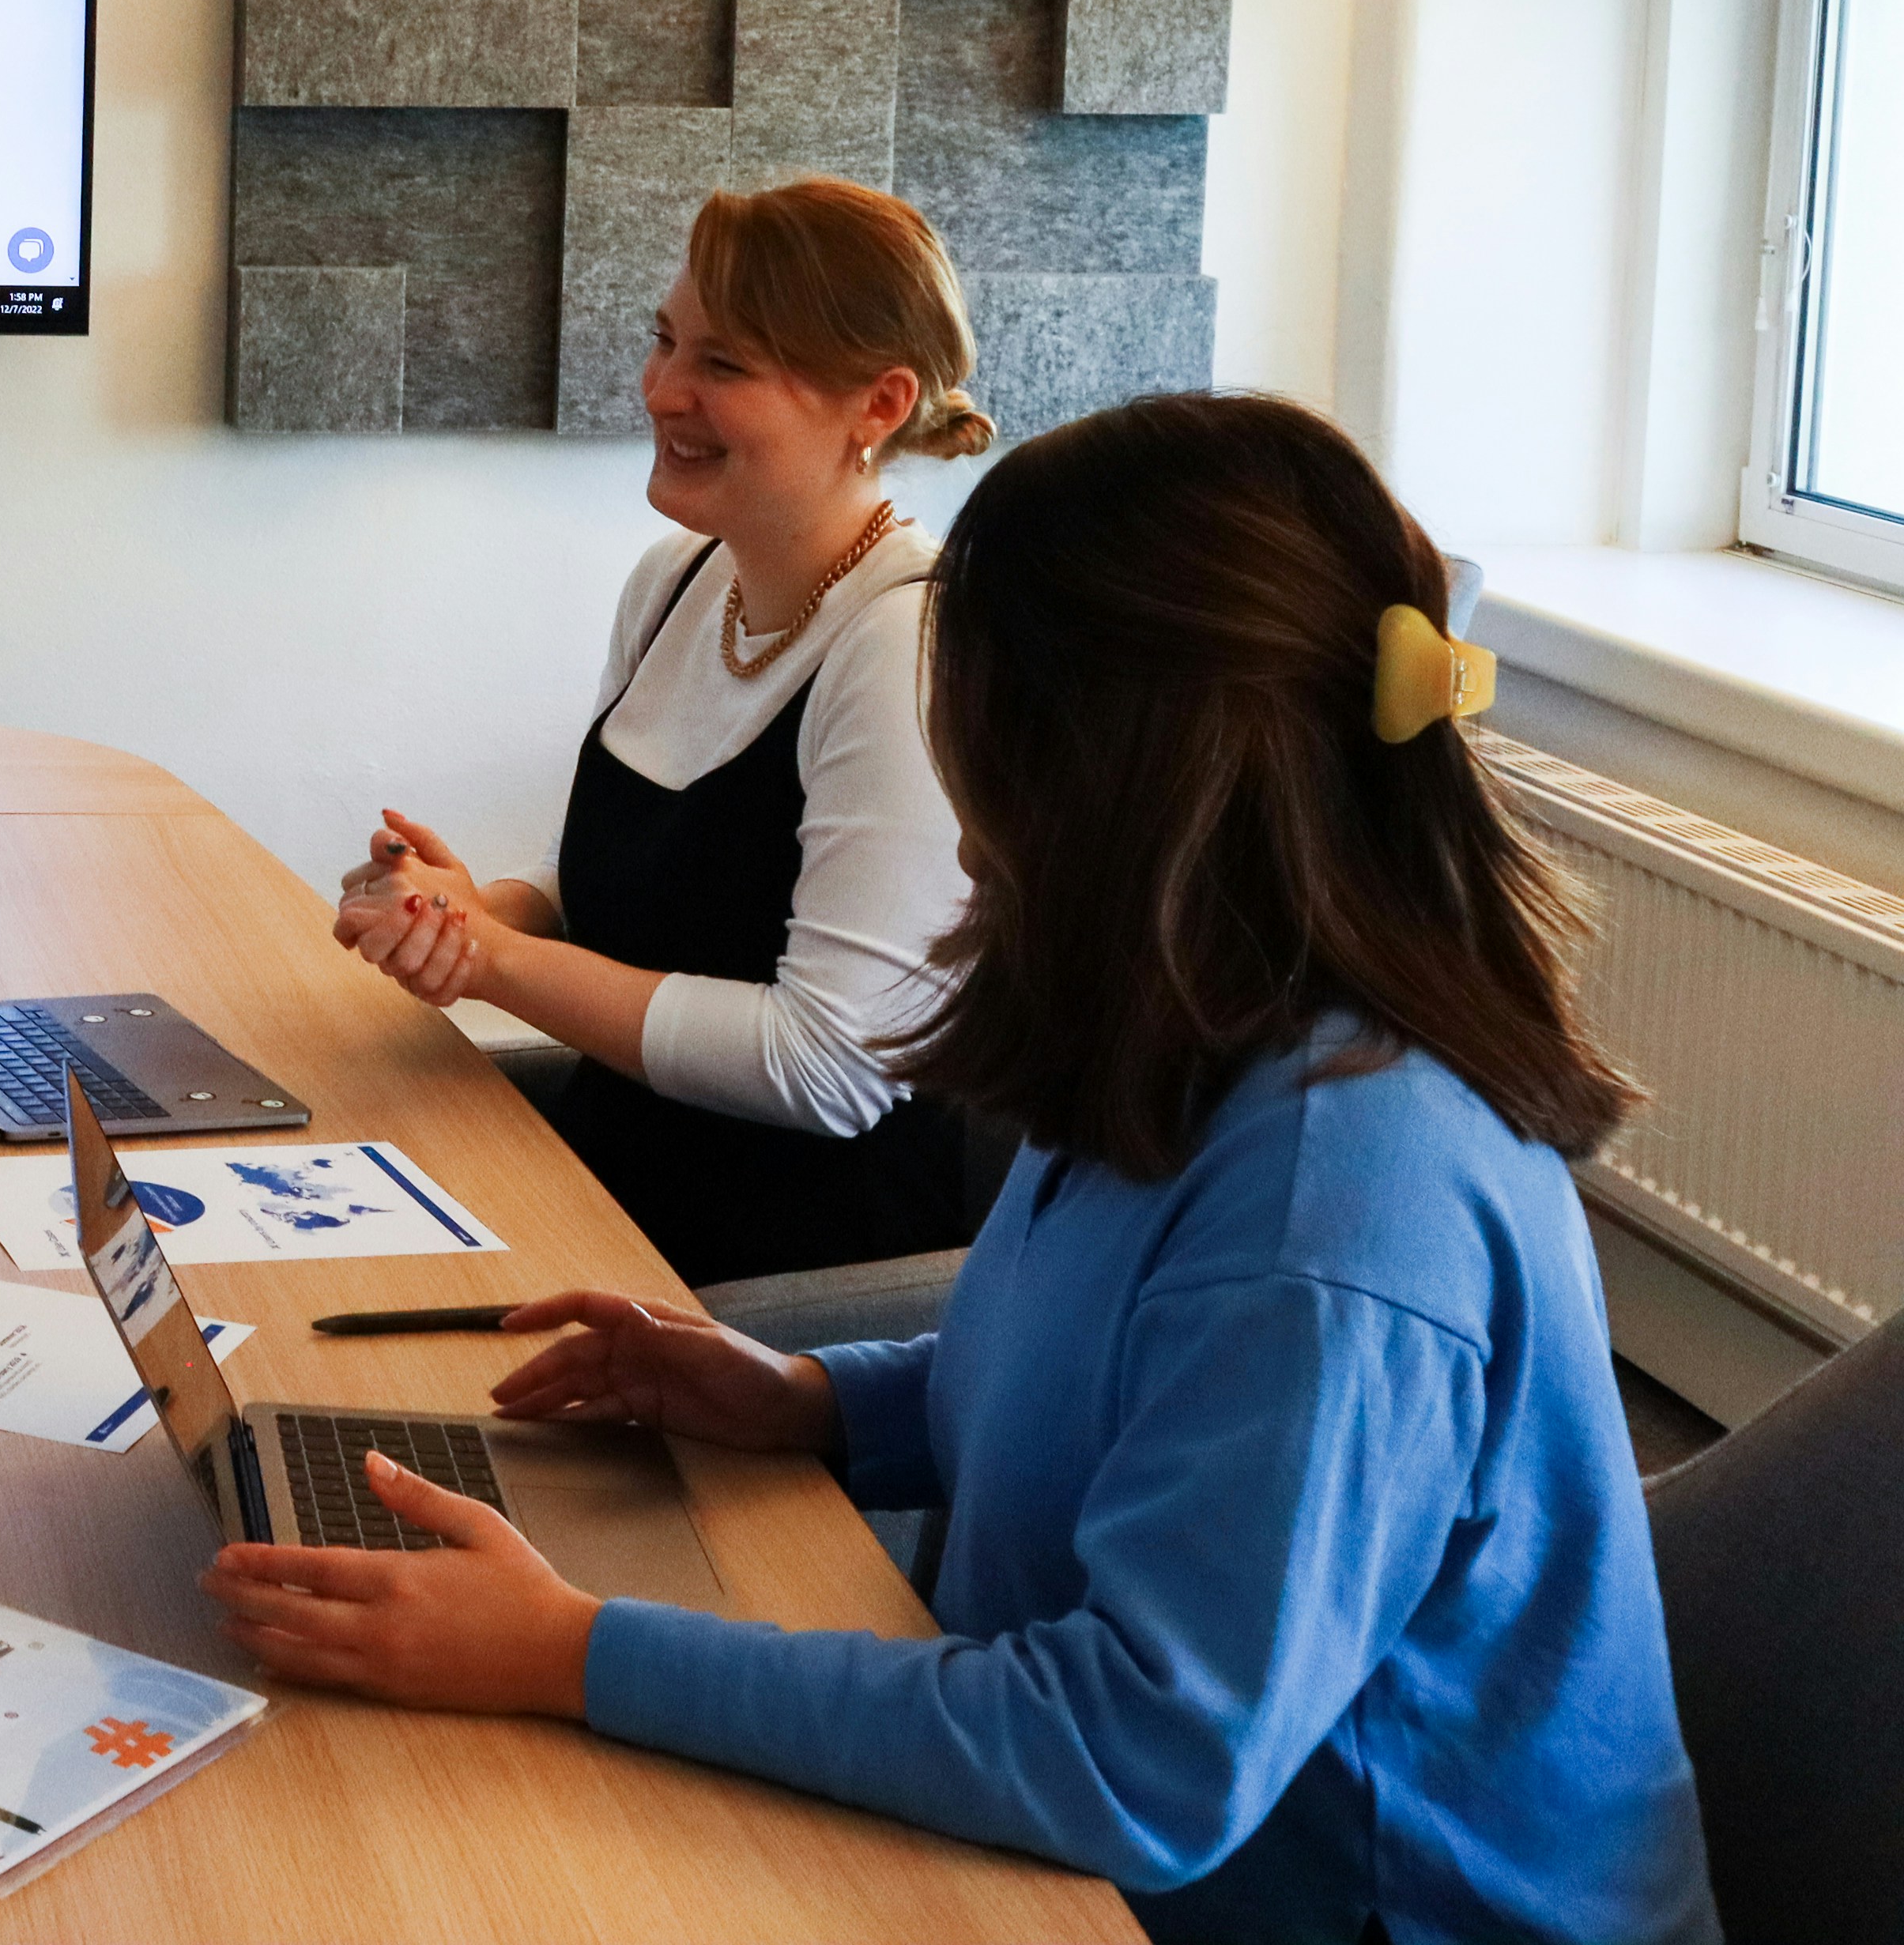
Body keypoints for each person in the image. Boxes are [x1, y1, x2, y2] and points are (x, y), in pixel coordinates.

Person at [203, 392, 1714, 1945]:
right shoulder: (1205, 1017)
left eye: (972, 728)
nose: (954, 797)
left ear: (1107, 766)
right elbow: (1116, 1375)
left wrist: (575, 1653)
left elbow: (1134, 1756)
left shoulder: (1340, 1201)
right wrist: (807, 1400)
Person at [338, 176, 994, 1283]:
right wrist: (473, 912)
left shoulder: (907, 645)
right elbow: (644, 885)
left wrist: (496, 962)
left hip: (782, 1279)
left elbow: (828, 1068)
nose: (660, 390)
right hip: (601, 1200)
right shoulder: (678, 580)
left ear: (878, 407)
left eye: (722, 364)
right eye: (664, 343)